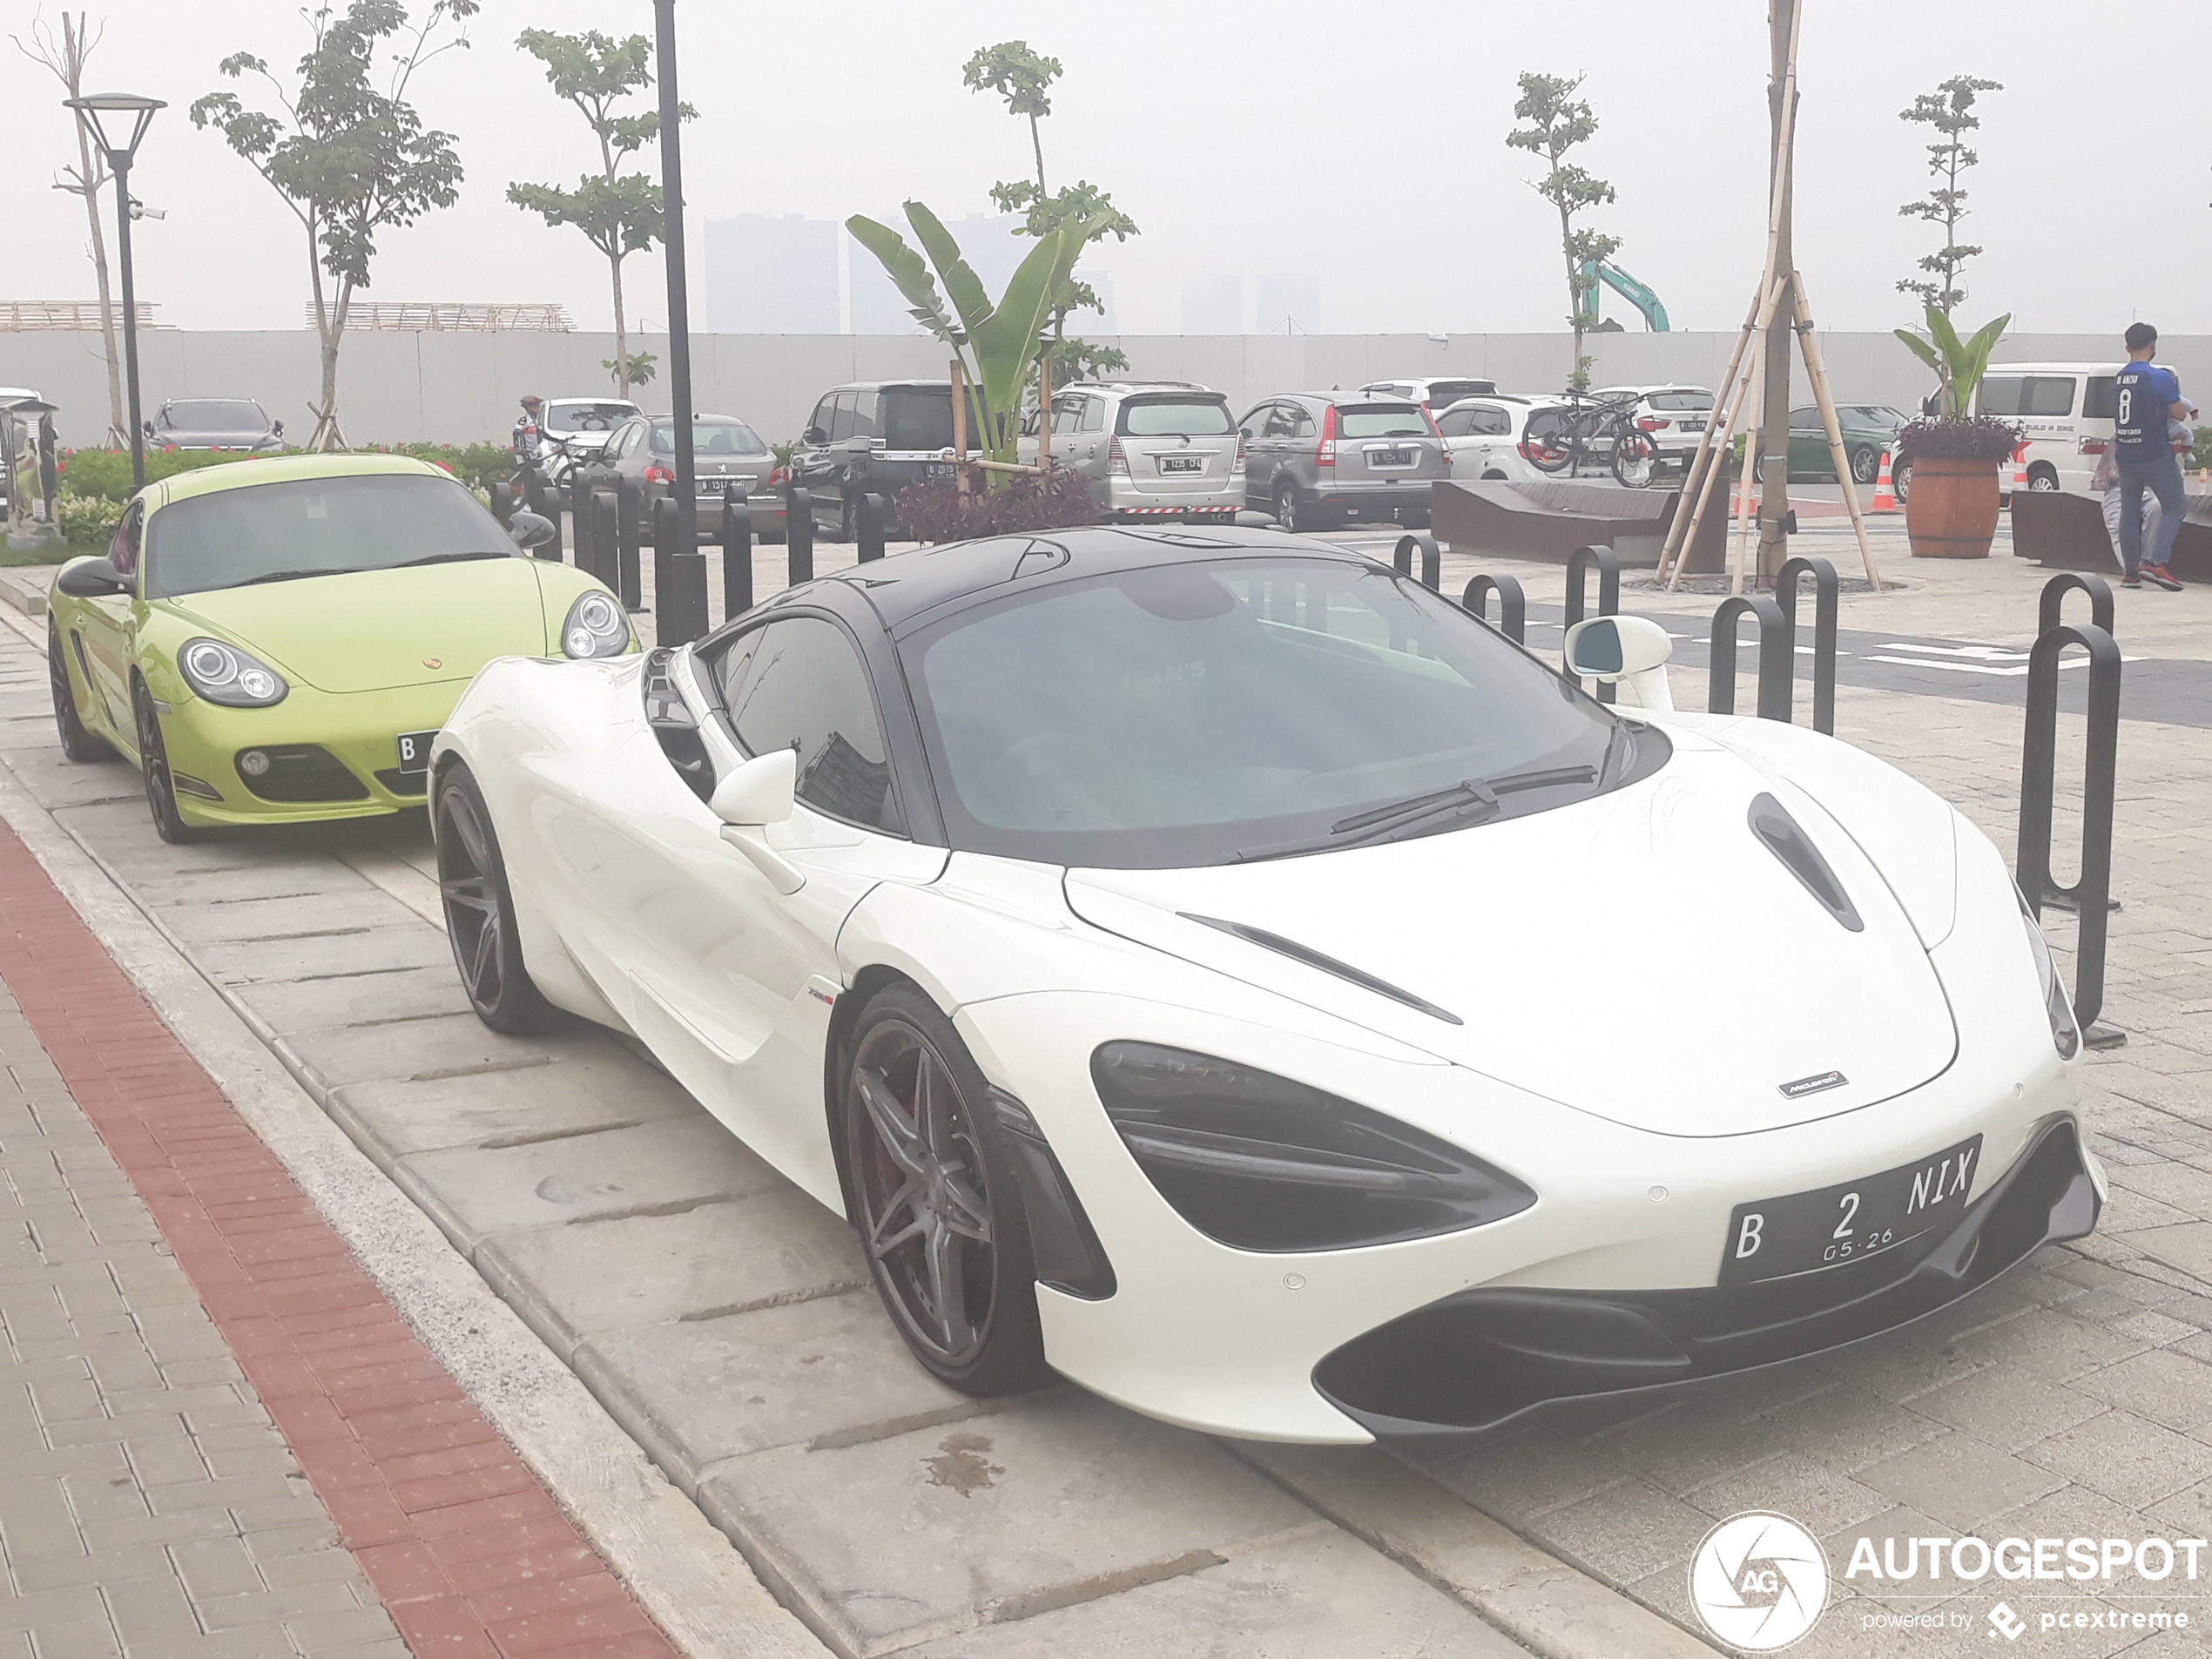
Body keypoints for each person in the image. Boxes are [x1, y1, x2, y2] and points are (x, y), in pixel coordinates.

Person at [2112, 323, 2187, 590]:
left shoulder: (2120, 378)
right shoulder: (2160, 378)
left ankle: (2131, 572)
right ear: (2153, 345)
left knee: (2130, 510)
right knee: (2175, 506)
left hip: (2125, 454)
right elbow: (2179, 413)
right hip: (2155, 453)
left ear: (2127, 347)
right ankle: (2156, 562)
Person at [511, 395, 545, 466]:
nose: (538, 408)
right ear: (529, 407)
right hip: (525, 455)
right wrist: (521, 450)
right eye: (536, 405)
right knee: (527, 474)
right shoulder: (524, 419)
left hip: (535, 454)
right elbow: (517, 433)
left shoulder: (537, 420)